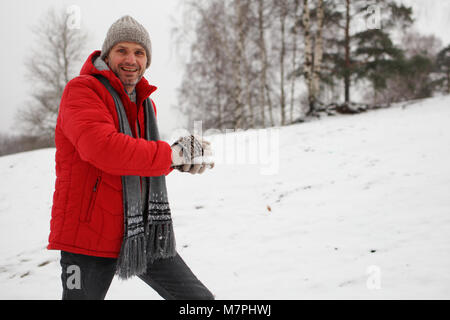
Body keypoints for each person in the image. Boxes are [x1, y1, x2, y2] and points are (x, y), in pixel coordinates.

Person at [47, 15, 215, 300]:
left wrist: (180, 159)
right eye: (121, 50)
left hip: (143, 233)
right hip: (87, 239)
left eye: (139, 52)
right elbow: (103, 149)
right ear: (107, 54)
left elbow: (136, 163)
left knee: (200, 301)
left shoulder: (144, 104)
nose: (131, 59)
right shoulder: (82, 91)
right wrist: (170, 155)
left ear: (146, 60)